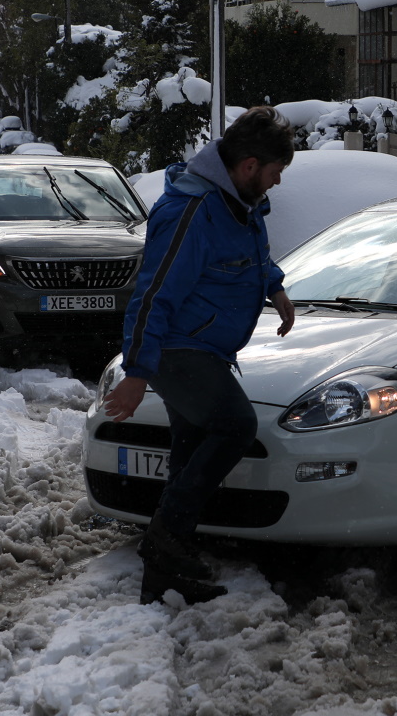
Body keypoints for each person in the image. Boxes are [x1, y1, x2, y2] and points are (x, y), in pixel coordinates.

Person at [105, 107, 296, 604]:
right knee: (236, 427)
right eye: (274, 174)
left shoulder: (238, 203)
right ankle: (164, 544)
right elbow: (153, 295)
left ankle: (166, 571)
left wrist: (274, 288)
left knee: (192, 444)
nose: (275, 184)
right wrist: (137, 371)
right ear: (249, 166)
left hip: (204, 347)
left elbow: (248, 257)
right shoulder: (191, 212)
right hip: (177, 349)